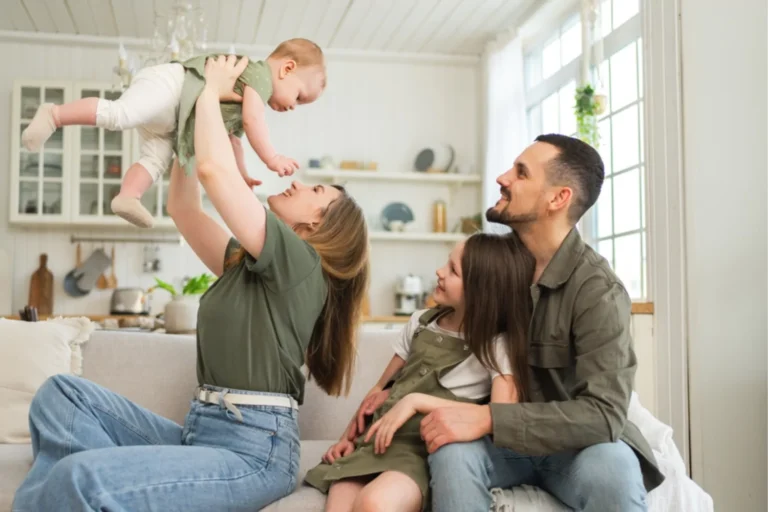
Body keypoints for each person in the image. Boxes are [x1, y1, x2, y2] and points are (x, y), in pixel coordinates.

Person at [12, 55, 369, 512]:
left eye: (315, 192)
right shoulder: (246, 263)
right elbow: (184, 209)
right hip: (202, 432)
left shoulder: (302, 264)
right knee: (61, 396)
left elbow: (215, 171)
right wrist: (189, 115)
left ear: (319, 226)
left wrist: (208, 92)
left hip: (255, 452)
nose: (299, 184)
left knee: (80, 475)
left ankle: (89, 490)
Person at [408, 134, 664, 511]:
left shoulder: (598, 289)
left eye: (521, 172)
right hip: (502, 448)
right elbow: (438, 327)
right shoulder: (495, 267)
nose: (502, 178)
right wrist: (389, 388)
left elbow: (604, 414)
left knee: (614, 469)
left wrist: (490, 418)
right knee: (451, 453)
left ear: (557, 198)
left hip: (577, 448)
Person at [304, 233, 536, 512]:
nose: (439, 271)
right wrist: (346, 439)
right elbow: (378, 392)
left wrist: (416, 401)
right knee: (338, 504)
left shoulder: (496, 345)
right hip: (376, 443)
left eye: (453, 270)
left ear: (481, 290)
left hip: (420, 453)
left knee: (373, 504)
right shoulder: (420, 322)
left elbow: (500, 414)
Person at [21, 38, 325, 228]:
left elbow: (233, 141)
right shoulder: (260, 77)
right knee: (121, 114)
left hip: (177, 117)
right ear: (287, 68)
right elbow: (253, 122)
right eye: (299, 97)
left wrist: (242, 174)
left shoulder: (247, 98)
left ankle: (128, 196)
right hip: (173, 87)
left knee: (156, 159)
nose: (294, 107)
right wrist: (272, 158)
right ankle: (55, 114)